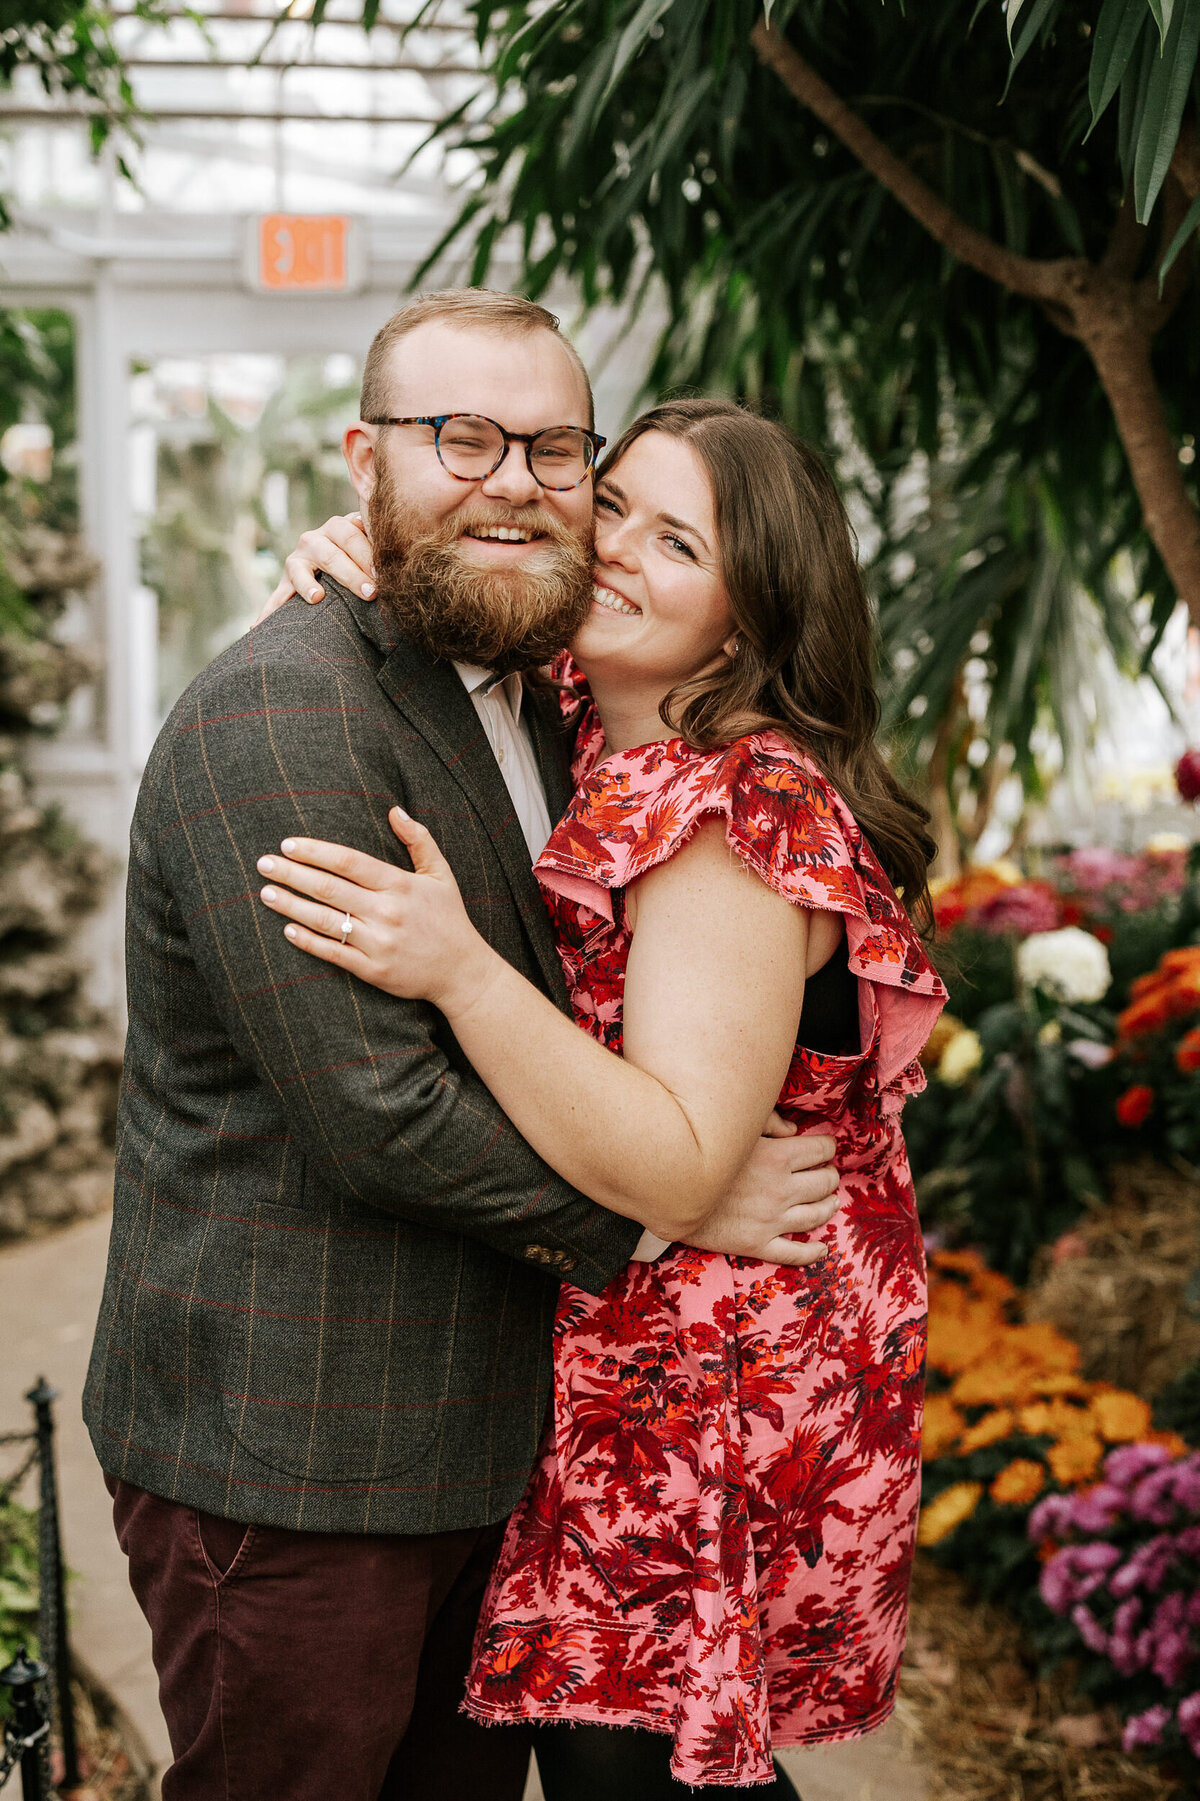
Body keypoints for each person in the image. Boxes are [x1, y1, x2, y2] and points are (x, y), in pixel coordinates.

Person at [83, 291, 842, 1801]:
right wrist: (668, 1203)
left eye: (558, 451)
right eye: (461, 438)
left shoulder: (551, 686)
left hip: (485, 1441)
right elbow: (381, 1107)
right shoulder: (284, 718)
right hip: (296, 1455)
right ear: (363, 460)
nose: (515, 480)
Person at [254, 397, 948, 1795]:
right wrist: (364, 555)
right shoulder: (594, 721)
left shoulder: (732, 812)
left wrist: (457, 967)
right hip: (652, 1337)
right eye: (613, 503)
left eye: (676, 540)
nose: (615, 548)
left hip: (722, 1380)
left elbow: (684, 1156)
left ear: (747, 621)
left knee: (633, 1766)